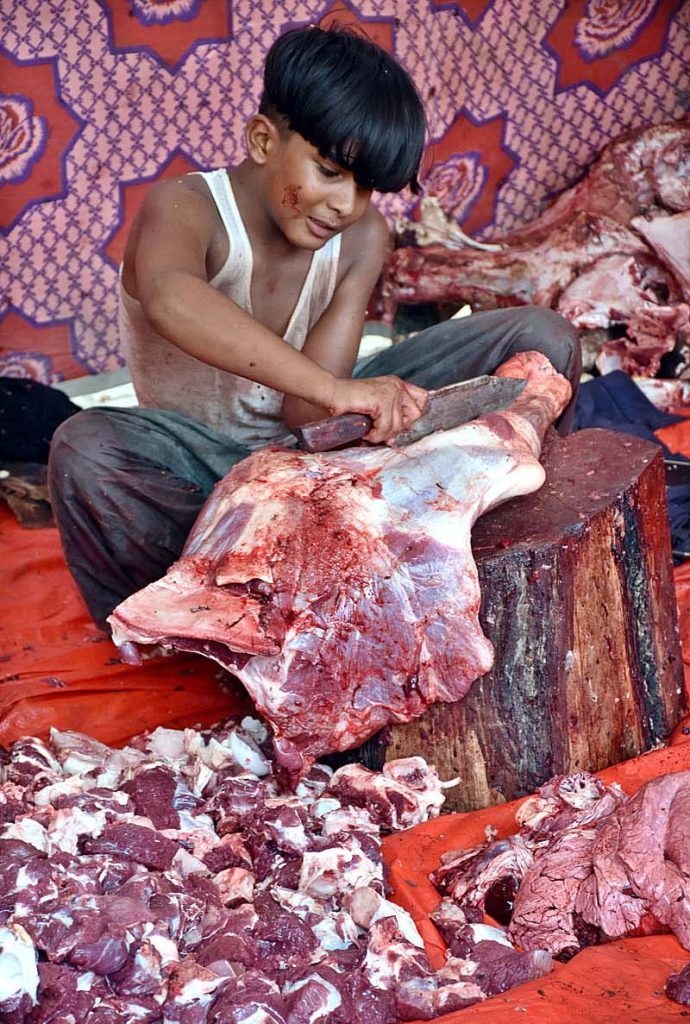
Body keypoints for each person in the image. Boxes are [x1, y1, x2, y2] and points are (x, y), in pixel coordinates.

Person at [49, 24, 581, 630]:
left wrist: (354, 402)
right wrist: (341, 393)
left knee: (542, 337)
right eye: (329, 171)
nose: (344, 205)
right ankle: (178, 625)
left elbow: (312, 417)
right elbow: (173, 301)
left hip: (322, 456)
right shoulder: (186, 207)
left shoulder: (360, 235)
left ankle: (500, 558)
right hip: (205, 470)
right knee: (84, 448)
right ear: (261, 140)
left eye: (366, 188)